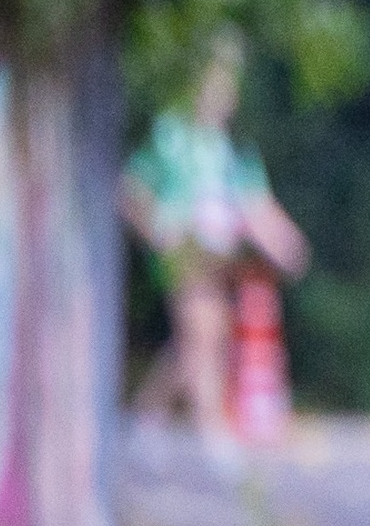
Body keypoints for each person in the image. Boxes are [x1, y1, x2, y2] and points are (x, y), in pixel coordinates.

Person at [119, 43, 309, 454]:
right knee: (201, 332)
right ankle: (210, 429)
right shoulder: (172, 136)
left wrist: (285, 240)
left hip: (217, 256)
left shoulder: (231, 149)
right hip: (183, 251)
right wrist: (156, 230)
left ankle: (147, 417)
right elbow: (132, 188)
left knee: (203, 338)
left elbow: (256, 206)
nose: (218, 96)